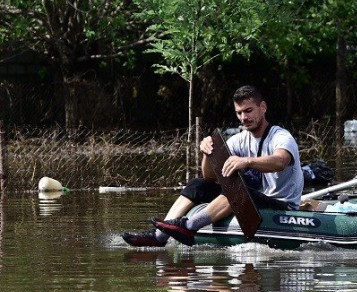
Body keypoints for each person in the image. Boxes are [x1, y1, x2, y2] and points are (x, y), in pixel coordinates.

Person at [122, 85, 302, 247]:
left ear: (263, 108)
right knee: (197, 185)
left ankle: (189, 226)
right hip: (253, 197)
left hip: (281, 204)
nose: (244, 118)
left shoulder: (281, 136)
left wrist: (246, 161)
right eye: (239, 113)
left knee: (237, 190)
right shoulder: (239, 139)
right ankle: (159, 237)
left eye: (248, 111)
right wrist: (207, 154)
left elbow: (280, 161)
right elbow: (210, 177)